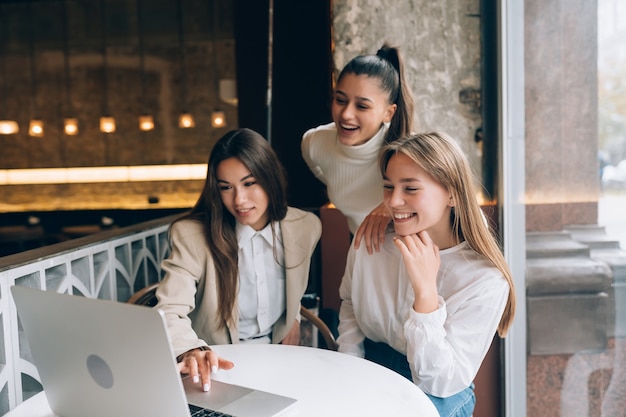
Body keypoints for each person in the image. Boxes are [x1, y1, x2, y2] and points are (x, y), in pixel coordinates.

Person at [336, 132, 516, 417]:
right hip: (369, 365)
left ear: (453, 194)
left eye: (410, 189)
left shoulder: (485, 280)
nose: (393, 201)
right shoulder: (372, 239)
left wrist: (426, 296)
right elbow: (349, 304)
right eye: (388, 186)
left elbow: (439, 381)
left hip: (438, 391)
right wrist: (350, 367)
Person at [155, 128, 322, 393]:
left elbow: (295, 286)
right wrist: (192, 349)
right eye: (226, 188)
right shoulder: (192, 236)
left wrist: (293, 318)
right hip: (219, 368)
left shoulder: (306, 227)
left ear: (270, 178)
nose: (239, 200)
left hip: (282, 362)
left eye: (249, 183)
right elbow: (169, 309)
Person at [301, 42, 415, 252]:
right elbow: (318, 167)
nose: (346, 114)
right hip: (364, 252)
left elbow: (450, 199)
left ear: (388, 113)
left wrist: (391, 205)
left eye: (362, 106)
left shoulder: (412, 153)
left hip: (414, 254)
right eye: (340, 100)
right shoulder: (315, 142)